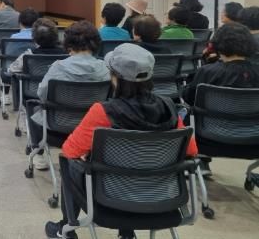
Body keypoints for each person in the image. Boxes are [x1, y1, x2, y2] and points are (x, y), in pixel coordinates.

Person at [44, 43, 198, 239]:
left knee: (69, 163)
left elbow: (69, 151)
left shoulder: (104, 111)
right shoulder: (169, 107)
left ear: (115, 77)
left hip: (110, 197)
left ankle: (66, 227)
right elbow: (191, 150)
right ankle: (126, 233)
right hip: (162, 197)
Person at [28, 21, 109, 170]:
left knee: (34, 109)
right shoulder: (105, 68)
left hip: (57, 128)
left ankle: (38, 154)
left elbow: (42, 94)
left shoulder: (58, 67)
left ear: (68, 43)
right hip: (92, 131)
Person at [182, 23, 259, 106]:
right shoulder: (256, 71)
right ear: (250, 44)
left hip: (212, 114)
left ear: (217, 44)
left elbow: (190, 99)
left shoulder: (206, 71)